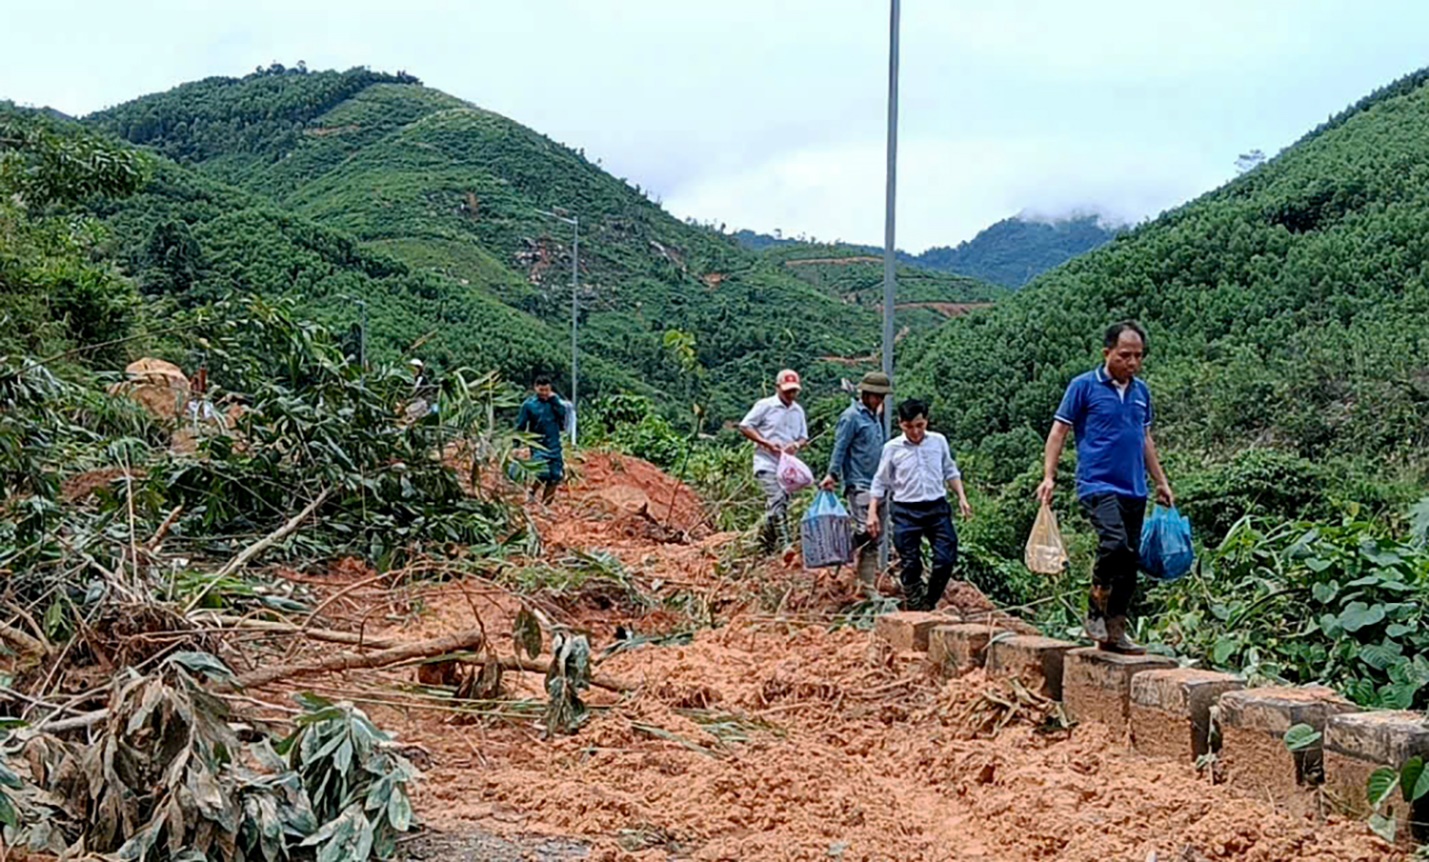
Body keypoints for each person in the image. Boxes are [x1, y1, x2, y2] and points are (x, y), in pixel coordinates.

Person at [1037, 321, 1174, 655]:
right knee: (1114, 544)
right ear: (1107, 353)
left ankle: (1115, 631)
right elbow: (1059, 432)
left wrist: (1161, 482)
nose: (1132, 362)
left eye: (1138, 356)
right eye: (1125, 355)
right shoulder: (1083, 387)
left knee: (1129, 561)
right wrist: (1049, 476)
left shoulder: (1141, 393)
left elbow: (1145, 439)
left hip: (1134, 488)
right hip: (1097, 483)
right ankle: (1096, 608)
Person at [866, 399, 973, 611]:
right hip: (906, 511)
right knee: (910, 563)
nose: (915, 432)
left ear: (926, 422)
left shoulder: (938, 442)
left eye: (919, 426)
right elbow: (880, 481)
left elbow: (950, 470)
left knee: (945, 558)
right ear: (900, 424)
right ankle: (914, 605)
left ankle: (929, 601)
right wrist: (872, 512)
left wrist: (962, 497)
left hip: (936, 508)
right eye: (909, 427)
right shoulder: (892, 449)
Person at [821, 371, 892, 597]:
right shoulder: (851, 417)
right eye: (877, 396)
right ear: (867, 394)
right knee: (865, 528)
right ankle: (839, 552)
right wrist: (832, 473)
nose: (880, 401)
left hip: (879, 485)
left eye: (882, 397)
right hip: (859, 483)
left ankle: (867, 584)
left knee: (876, 537)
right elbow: (840, 447)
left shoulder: (873, 416)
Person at [738, 369, 809, 553]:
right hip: (766, 462)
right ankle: (785, 544)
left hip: (786, 467)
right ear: (778, 388)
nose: (791, 395)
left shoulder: (797, 411)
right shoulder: (765, 406)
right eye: (787, 391)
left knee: (779, 504)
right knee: (777, 498)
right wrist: (765, 442)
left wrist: (796, 445)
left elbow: (803, 437)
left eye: (794, 391)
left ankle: (765, 545)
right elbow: (745, 426)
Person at [515, 374, 570, 505]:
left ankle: (546, 506)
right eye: (541, 390)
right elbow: (521, 426)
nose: (544, 393)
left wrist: (555, 400)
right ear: (535, 388)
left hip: (554, 444)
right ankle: (531, 492)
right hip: (538, 445)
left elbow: (563, 414)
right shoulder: (528, 405)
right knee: (542, 473)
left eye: (547, 390)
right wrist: (515, 445)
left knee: (555, 476)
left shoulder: (555, 402)